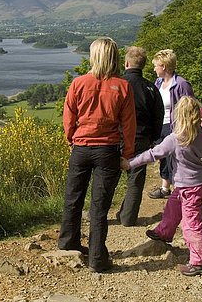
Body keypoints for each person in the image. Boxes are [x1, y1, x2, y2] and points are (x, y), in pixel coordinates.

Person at [58, 37, 137, 273]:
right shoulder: (122, 86)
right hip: (107, 150)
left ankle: (68, 242)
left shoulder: (79, 83)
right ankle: (97, 259)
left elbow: (68, 116)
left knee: (73, 198)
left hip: (81, 148)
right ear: (114, 57)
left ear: (94, 56)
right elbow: (129, 125)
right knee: (99, 206)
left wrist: (71, 139)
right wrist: (128, 154)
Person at [122, 96, 202, 276]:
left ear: (178, 116)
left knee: (191, 223)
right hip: (197, 181)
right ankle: (164, 232)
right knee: (172, 205)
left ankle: (199, 261)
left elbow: (153, 154)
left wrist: (130, 163)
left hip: (188, 185)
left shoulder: (175, 139)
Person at [116, 46, 164, 226]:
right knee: (135, 181)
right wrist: (152, 139)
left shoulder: (117, 85)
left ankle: (99, 215)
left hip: (116, 138)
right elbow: (158, 117)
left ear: (126, 63)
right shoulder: (151, 88)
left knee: (107, 179)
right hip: (141, 139)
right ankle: (128, 218)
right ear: (143, 65)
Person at [148, 49, 195, 199]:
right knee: (163, 157)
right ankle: (165, 187)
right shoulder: (158, 83)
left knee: (176, 158)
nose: (154, 68)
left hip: (175, 126)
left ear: (163, 66)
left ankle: (180, 189)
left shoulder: (181, 84)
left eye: (156, 65)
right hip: (161, 125)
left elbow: (191, 107)